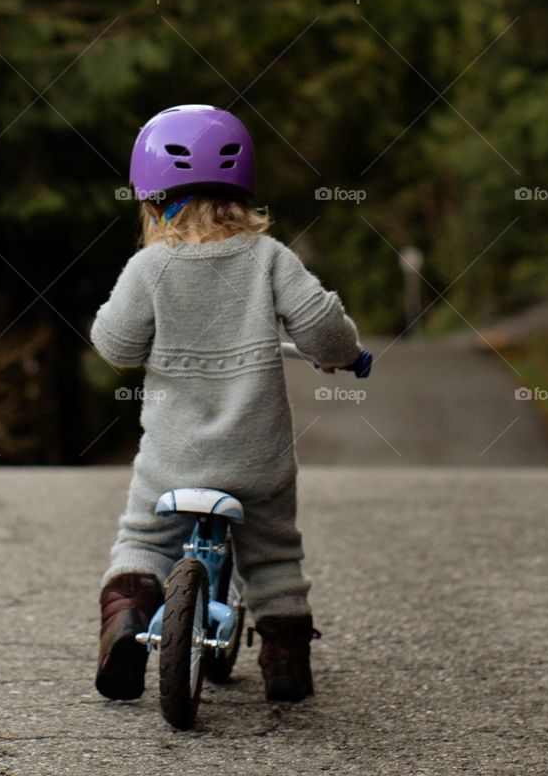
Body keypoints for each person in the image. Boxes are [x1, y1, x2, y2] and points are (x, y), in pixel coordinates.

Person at [91, 103, 369, 704]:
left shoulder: (149, 267)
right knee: (272, 554)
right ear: (241, 190)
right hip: (255, 459)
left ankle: (126, 619)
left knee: (143, 538)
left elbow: (115, 344)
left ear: (151, 198)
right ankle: (286, 657)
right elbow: (323, 330)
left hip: (172, 461)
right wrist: (347, 355)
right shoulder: (270, 259)